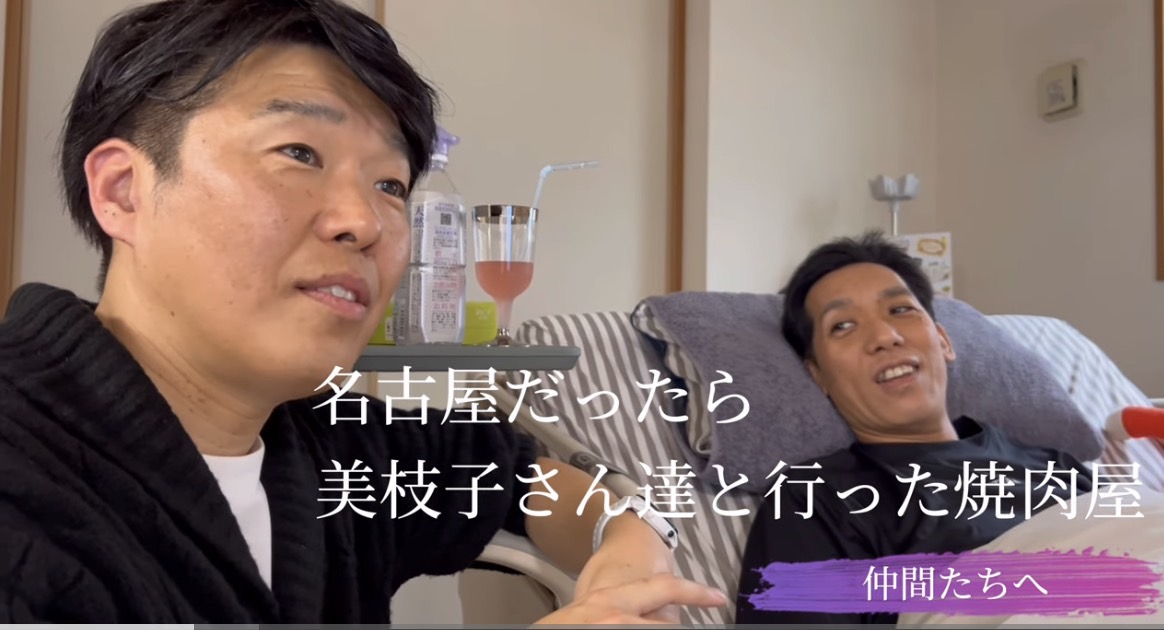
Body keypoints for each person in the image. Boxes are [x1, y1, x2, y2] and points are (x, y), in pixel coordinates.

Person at [0, 0, 729, 623]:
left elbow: (517, 477)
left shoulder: (332, 449)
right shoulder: (26, 484)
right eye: (299, 153)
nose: (364, 222)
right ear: (123, 191)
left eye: (390, 185)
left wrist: (626, 542)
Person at [734, 230, 1095, 625]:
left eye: (901, 310)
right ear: (818, 374)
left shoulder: (1056, 466)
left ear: (943, 341)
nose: (884, 337)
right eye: (843, 326)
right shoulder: (816, 500)